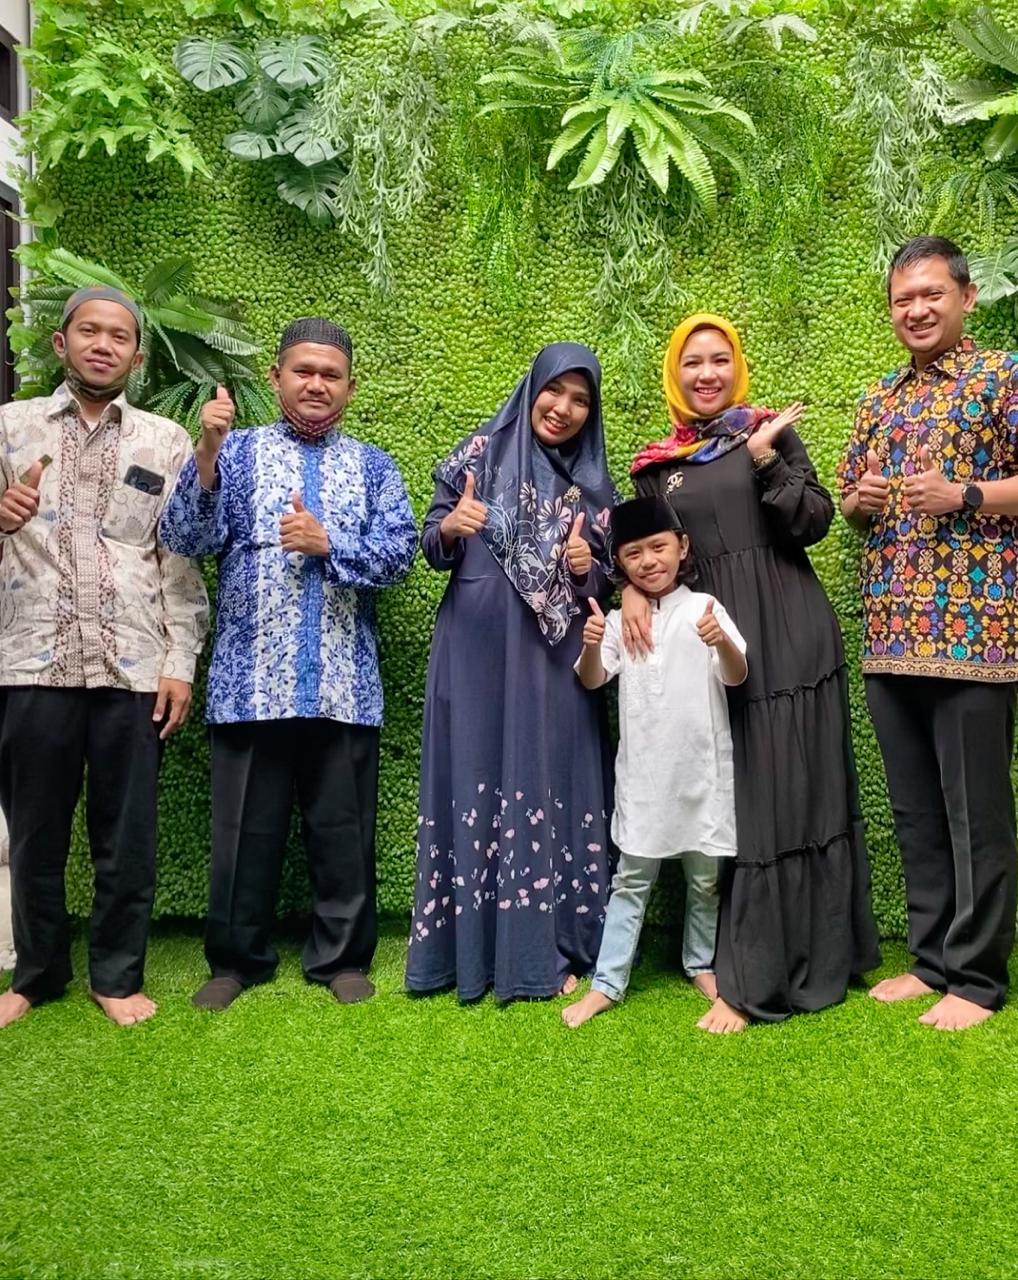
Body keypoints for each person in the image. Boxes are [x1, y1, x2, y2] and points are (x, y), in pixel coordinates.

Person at [625, 312, 880, 1032]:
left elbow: (814, 521)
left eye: (719, 359)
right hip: (710, 644)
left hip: (789, 629)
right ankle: (748, 954)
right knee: (737, 796)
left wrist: (766, 459)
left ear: (736, 366)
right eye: (692, 363)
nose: (707, 374)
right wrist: (628, 590)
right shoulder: (655, 466)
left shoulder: (768, 430)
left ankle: (773, 970)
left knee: (792, 791)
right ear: (674, 375)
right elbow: (648, 551)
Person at [159, 317, 417, 1011]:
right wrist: (206, 453)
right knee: (243, 832)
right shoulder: (236, 453)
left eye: (331, 375)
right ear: (276, 377)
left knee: (343, 833)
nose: (316, 384)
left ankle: (342, 959)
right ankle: (235, 961)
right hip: (250, 684)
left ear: (351, 387)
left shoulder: (373, 466)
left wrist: (329, 543)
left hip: (342, 683)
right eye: (303, 371)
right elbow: (184, 534)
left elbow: (399, 555)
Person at [0, 285, 209, 1029]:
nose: (103, 345)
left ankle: (117, 977)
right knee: (35, 836)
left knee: (127, 838)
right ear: (61, 343)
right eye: (89, 331)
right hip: (32, 663)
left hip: (132, 666)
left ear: (137, 358)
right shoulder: (10, 429)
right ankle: (38, 973)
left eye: (119, 337)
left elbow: (177, 562)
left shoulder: (165, 442)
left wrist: (179, 661)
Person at [839, 235, 1018, 1031]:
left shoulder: (1002, 378)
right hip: (890, 630)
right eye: (902, 299)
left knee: (976, 813)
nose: (916, 310)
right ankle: (932, 961)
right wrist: (864, 500)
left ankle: (976, 980)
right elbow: (850, 502)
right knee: (916, 811)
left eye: (931, 294)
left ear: (966, 298)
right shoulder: (879, 397)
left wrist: (965, 495)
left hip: (977, 634)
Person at [405, 342, 619, 1002]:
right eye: (554, 391)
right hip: (475, 647)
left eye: (581, 400)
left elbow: (604, 584)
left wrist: (587, 568)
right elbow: (431, 544)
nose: (563, 408)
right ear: (531, 389)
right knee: (476, 768)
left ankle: (552, 945)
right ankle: (465, 950)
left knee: (552, 778)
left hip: (555, 659)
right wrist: (452, 526)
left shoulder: (592, 486)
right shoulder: (478, 455)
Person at [563, 496, 747, 1029]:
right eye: (633, 553)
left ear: (682, 547)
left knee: (705, 881)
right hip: (644, 779)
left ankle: (700, 963)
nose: (648, 561)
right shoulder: (617, 620)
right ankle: (607, 983)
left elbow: (737, 674)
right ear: (620, 563)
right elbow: (592, 680)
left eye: (658, 547)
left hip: (702, 774)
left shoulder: (704, 608)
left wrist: (721, 642)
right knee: (631, 880)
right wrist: (592, 644)